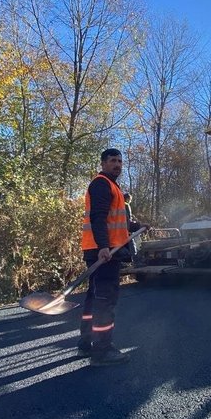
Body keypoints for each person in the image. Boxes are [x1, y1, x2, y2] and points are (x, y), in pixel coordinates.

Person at [78, 148, 143, 366]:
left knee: (93, 297)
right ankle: (102, 351)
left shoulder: (112, 186)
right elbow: (98, 218)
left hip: (100, 250)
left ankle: (85, 344)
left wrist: (137, 226)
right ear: (103, 163)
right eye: (113, 161)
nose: (118, 164)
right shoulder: (101, 184)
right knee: (105, 300)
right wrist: (104, 247)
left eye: (120, 161)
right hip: (104, 252)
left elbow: (117, 222)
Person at [123, 192, 138, 258]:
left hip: (120, 229)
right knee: (132, 244)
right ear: (127, 199)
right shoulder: (126, 205)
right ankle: (135, 260)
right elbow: (128, 218)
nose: (130, 201)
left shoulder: (119, 205)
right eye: (130, 199)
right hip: (127, 228)